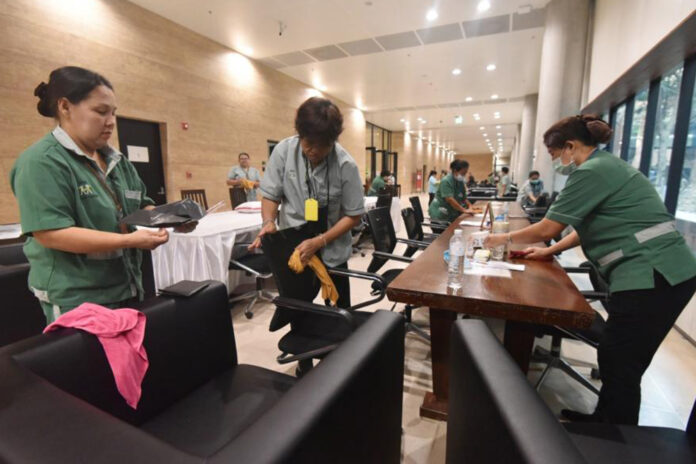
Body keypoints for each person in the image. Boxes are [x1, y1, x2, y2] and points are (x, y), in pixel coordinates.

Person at [484, 114, 696, 425]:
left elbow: (548, 227)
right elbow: (585, 226)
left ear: (570, 146)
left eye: (555, 154)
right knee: (617, 356)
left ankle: (615, 437)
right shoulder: (607, 167)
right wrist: (551, 252)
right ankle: (607, 421)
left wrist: (498, 238)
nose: (556, 162)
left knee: (621, 360)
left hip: (653, 272)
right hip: (659, 271)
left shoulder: (593, 171)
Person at [10, 66, 185, 323]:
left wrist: (171, 219)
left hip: (127, 285)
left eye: (114, 112)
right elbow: (52, 234)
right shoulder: (41, 162)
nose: (111, 121)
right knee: (90, 363)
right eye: (101, 112)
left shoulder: (116, 160)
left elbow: (142, 207)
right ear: (65, 107)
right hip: (78, 298)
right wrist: (130, 241)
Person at [250, 96, 365, 310]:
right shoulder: (283, 152)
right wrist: (268, 221)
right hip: (294, 245)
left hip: (332, 245)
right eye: (308, 143)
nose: (314, 150)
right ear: (299, 134)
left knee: (340, 308)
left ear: (334, 141)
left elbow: (353, 214)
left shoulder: (345, 165)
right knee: (298, 310)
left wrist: (320, 241)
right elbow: (271, 195)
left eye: (322, 146)